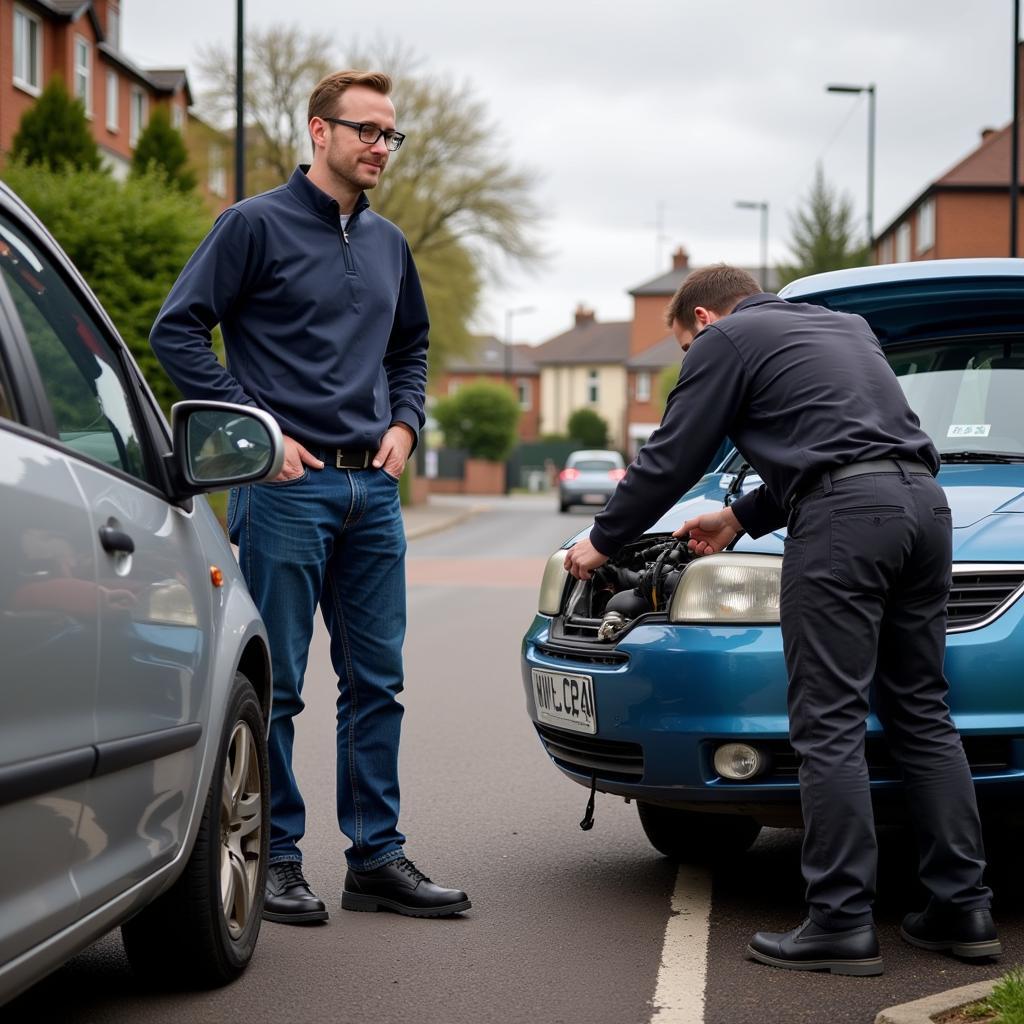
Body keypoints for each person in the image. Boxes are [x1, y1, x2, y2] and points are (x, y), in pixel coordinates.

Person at [564, 265, 999, 975]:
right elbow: (849, 441)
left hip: (845, 523)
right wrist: (740, 517)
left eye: (683, 349)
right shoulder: (846, 327)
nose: (691, 363)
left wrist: (602, 541)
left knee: (827, 720)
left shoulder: (724, 339)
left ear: (703, 319)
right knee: (922, 711)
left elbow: (671, 459)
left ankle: (839, 922)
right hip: (925, 507)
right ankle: (962, 908)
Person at [150, 70, 469, 924]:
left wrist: (406, 421)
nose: (379, 147)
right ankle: (278, 860)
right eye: (365, 130)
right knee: (277, 685)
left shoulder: (390, 243)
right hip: (287, 491)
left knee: (377, 682)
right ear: (318, 131)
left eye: (389, 135)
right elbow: (176, 326)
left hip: (374, 487)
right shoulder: (251, 226)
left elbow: (411, 346)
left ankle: (376, 857)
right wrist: (256, 431)